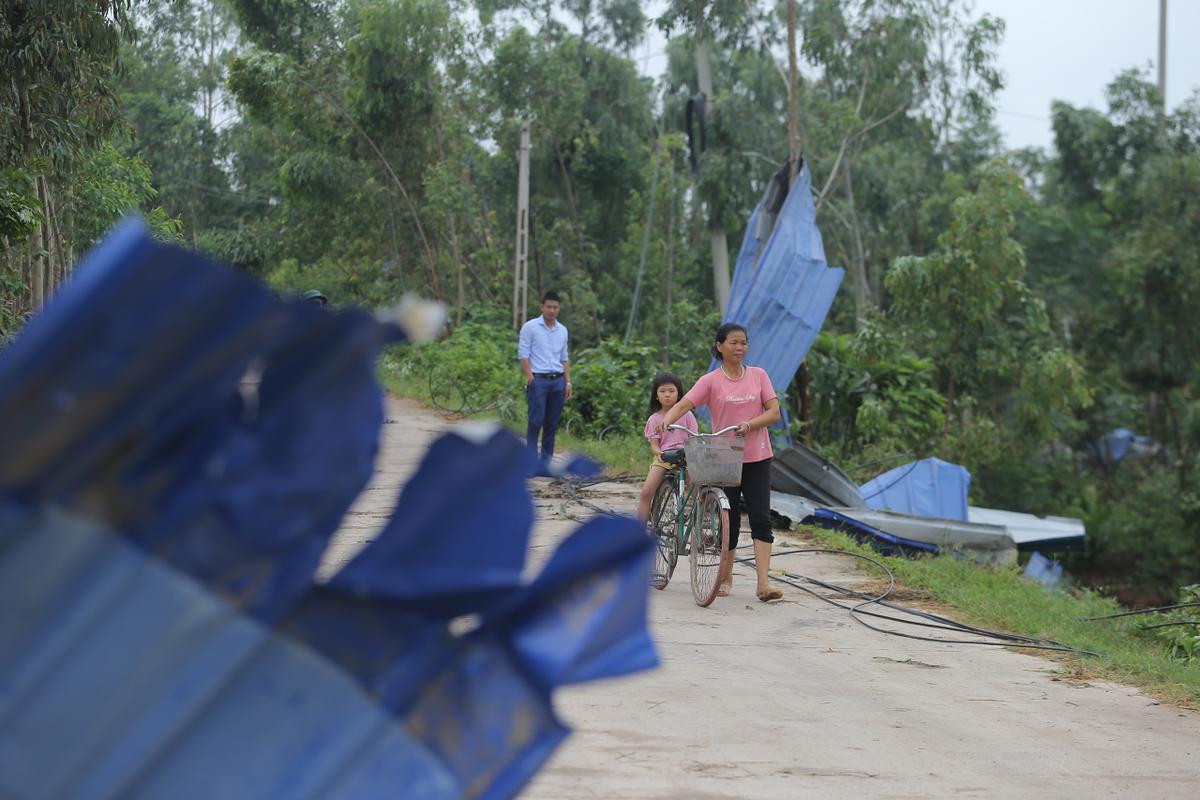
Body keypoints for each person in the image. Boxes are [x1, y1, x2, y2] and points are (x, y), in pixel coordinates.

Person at [657, 323, 783, 602]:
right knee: (730, 521)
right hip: (725, 458)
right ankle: (725, 577)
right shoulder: (711, 380)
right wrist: (667, 420)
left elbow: (773, 412)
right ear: (719, 346)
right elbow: (684, 404)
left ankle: (764, 583)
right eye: (734, 343)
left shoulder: (759, 376)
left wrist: (750, 425)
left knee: (762, 517)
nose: (740, 348)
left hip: (758, 457)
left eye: (744, 343)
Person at [637, 373, 698, 523]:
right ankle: (638, 533)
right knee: (646, 492)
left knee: (699, 488)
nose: (667, 395)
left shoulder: (688, 415)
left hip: (686, 456)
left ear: (679, 394)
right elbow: (655, 446)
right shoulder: (654, 419)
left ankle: (700, 524)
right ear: (656, 396)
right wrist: (661, 454)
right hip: (664, 457)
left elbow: (694, 439)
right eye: (662, 391)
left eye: (671, 391)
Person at [518, 291, 571, 463]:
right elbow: (523, 354)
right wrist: (530, 377)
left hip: (558, 381)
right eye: (548, 306)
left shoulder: (562, 330)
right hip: (538, 380)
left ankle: (546, 463)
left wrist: (568, 382)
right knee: (536, 421)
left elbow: (564, 357)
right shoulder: (530, 327)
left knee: (551, 423)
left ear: (559, 309)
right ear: (542, 307)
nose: (552, 310)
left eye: (555, 307)